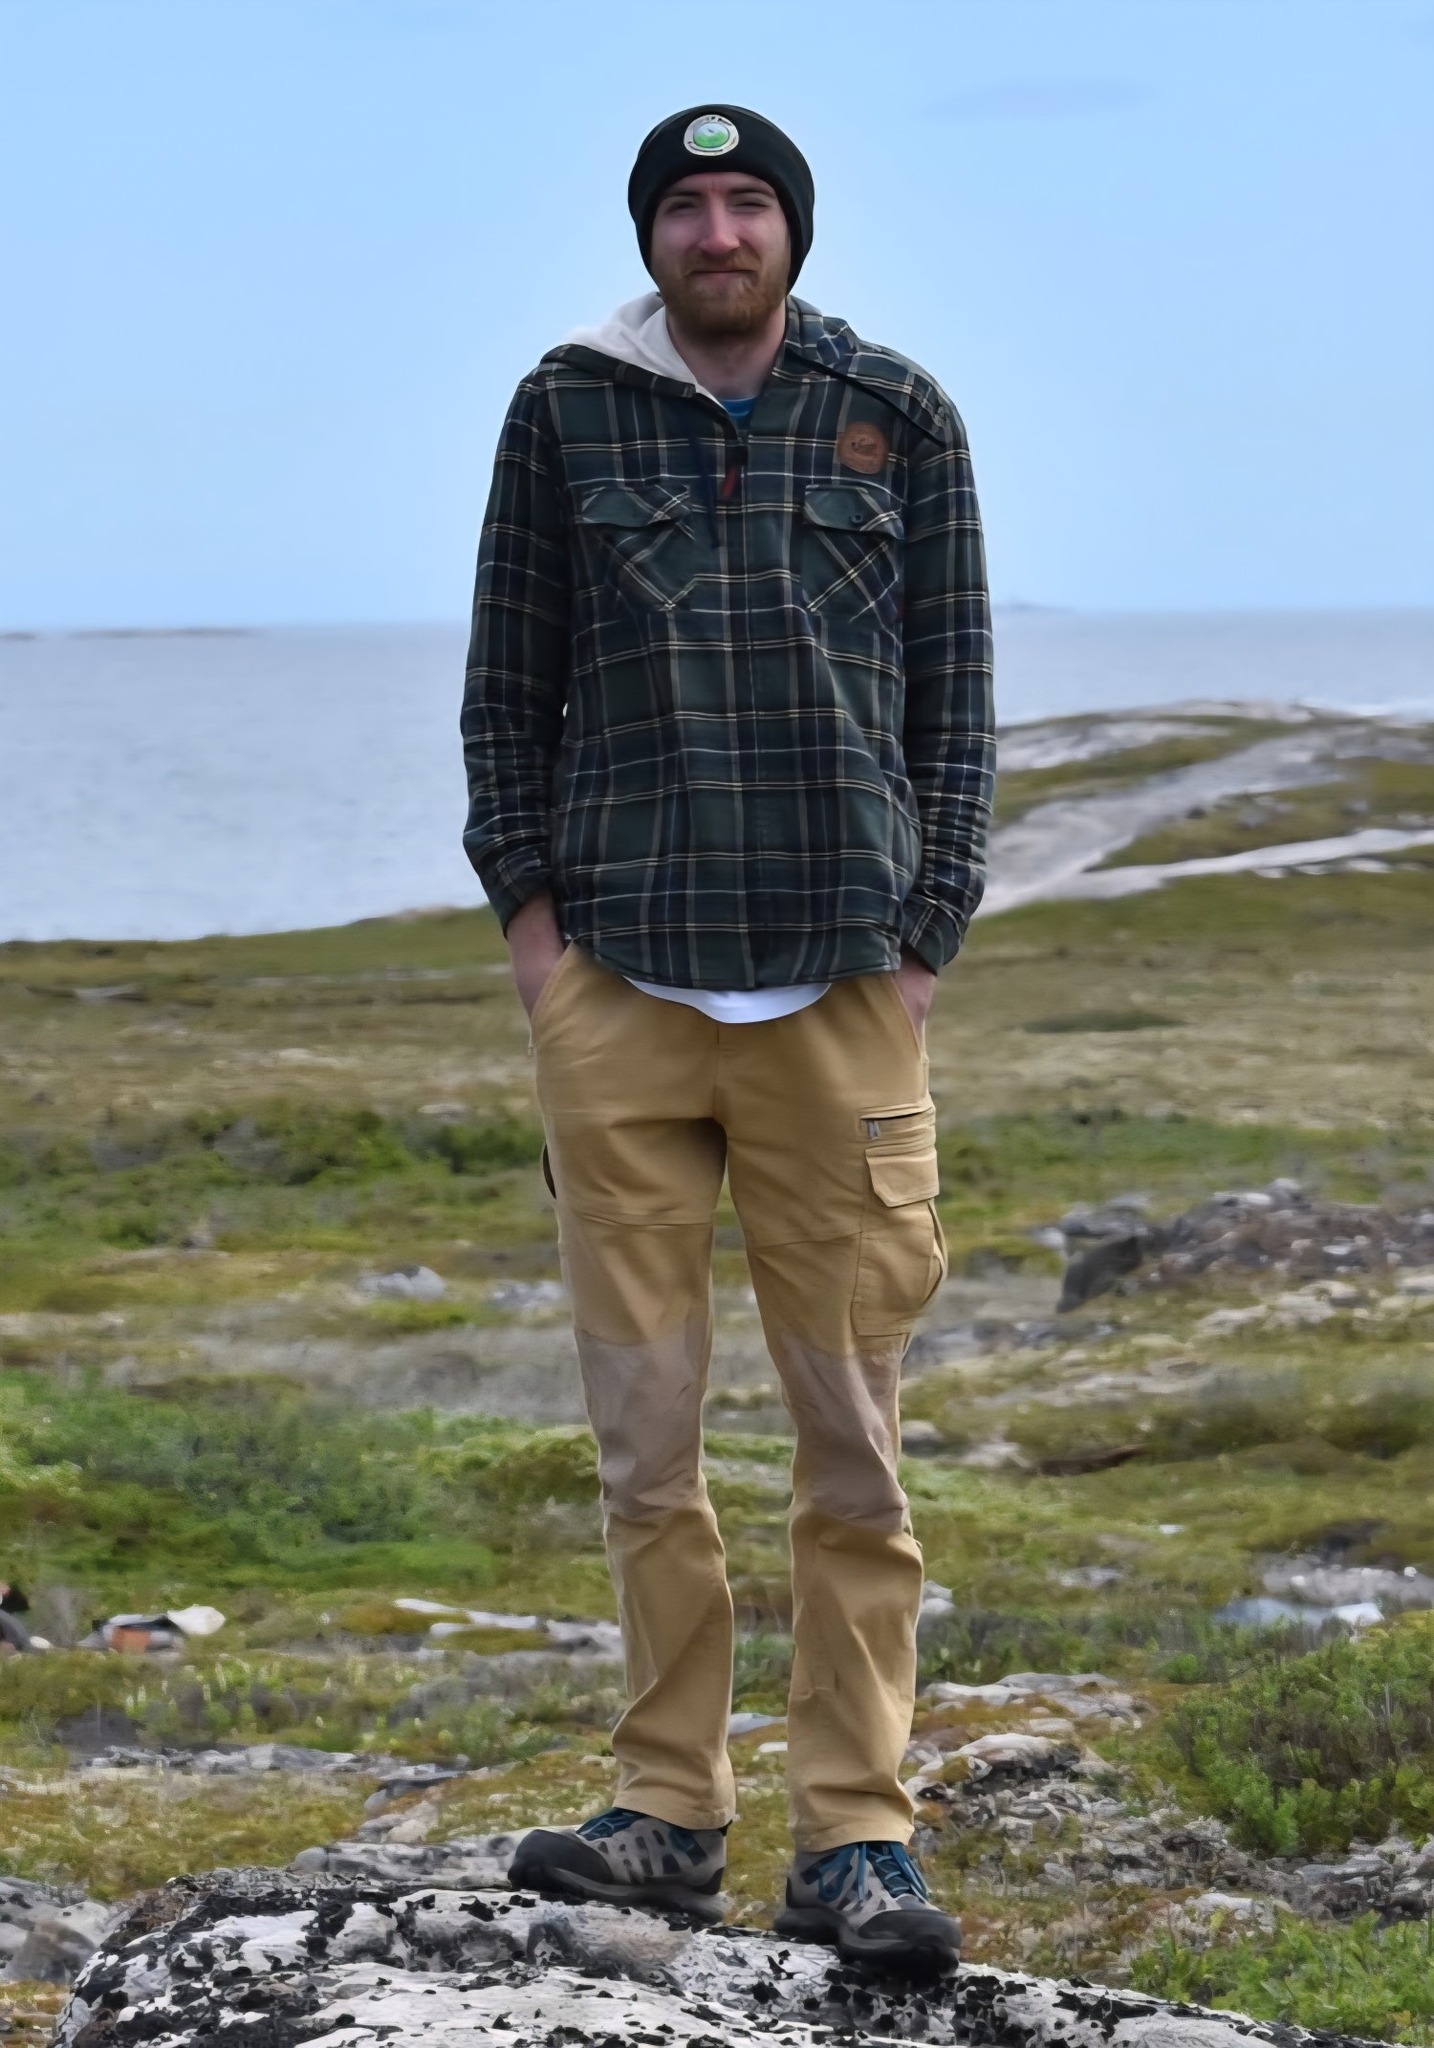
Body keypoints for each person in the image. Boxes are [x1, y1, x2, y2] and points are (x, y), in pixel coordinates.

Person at [461, 102, 994, 1966]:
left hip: (838, 994)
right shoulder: (564, 411)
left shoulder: (894, 412)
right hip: (621, 991)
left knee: (850, 1451)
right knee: (645, 1446)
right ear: (651, 237)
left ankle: (856, 1840)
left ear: (790, 231)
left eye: (745, 201)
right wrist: (539, 944)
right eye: (683, 206)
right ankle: (665, 1812)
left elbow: (954, 703)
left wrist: (919, 946)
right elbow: (505, 690)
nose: (715, 232)